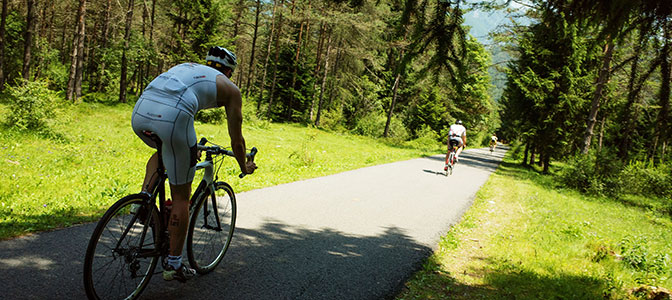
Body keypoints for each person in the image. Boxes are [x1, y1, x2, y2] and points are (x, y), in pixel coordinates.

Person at [131, 46, 257, 282]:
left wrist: (188, 147)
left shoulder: (187, 68)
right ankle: (174, 264)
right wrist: (244, 166)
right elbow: (237, 141)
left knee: (164, 149)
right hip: (173, 116)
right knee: (181, 197)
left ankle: (143, 199)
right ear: (229, 72)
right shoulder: (230, 89)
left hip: (140, 112)